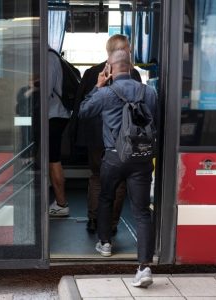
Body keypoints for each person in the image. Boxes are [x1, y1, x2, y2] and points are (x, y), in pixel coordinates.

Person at [79, 49, 157, 287]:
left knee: (105, 197)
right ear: (131, 66)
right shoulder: (149, 92)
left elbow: (83, 112)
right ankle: (144, 267)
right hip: (142, 158)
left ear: (109, 69)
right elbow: (158, 121)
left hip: (113, 156)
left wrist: (98, 87)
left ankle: (105, 243)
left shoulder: (106, 92)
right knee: (142, 211)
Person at [73, 34, 142, 234]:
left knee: (96, 177)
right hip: (122, 138)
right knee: (119, 182)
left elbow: (81, 106)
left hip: (95, 138)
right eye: (128, 48)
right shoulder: (133, 74)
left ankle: (94, 220)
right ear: (125, 51)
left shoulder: (92, 72)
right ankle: (111, 224)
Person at [47, 48, 71, 216]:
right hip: (57, 114)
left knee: (53, 159)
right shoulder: (52, 56)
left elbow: (46, 91)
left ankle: (62, 203)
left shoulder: (48, 57)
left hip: (54, 115)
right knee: (52, 158)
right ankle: (60, 202)